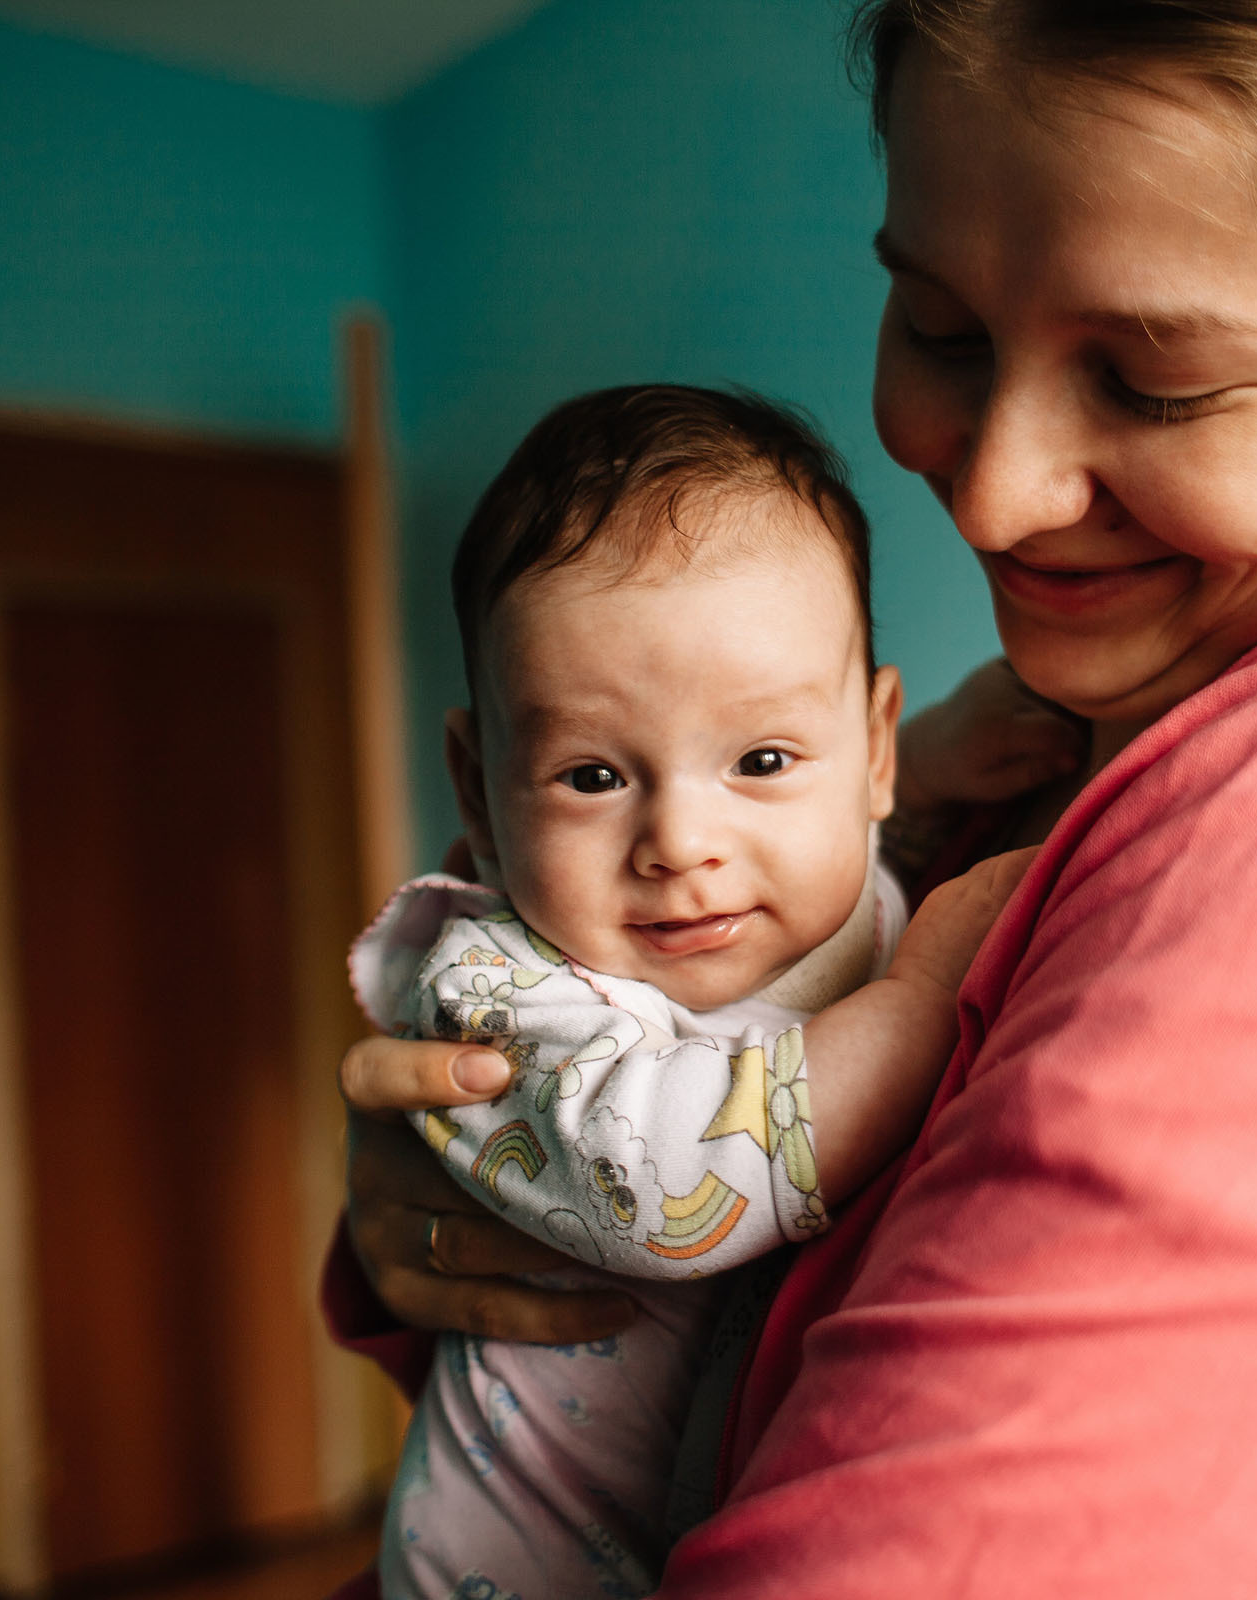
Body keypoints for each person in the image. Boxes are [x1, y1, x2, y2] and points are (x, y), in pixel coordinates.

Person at [329, 2, 1257, 1595]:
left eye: (1154, 383)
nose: (996, 495)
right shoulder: (1052, 755)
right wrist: (451, 1218)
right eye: (939, 327)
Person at [352, 384, 1035, 1600]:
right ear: (478, 789)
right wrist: (930, 983)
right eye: (594, 774)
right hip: (523, 1567)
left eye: (761, 759)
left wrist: (931, 762)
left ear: (868, 747)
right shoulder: (497, 988)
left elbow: (861, 848)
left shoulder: (843, 875)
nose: (680, 839)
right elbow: (670, 1179)